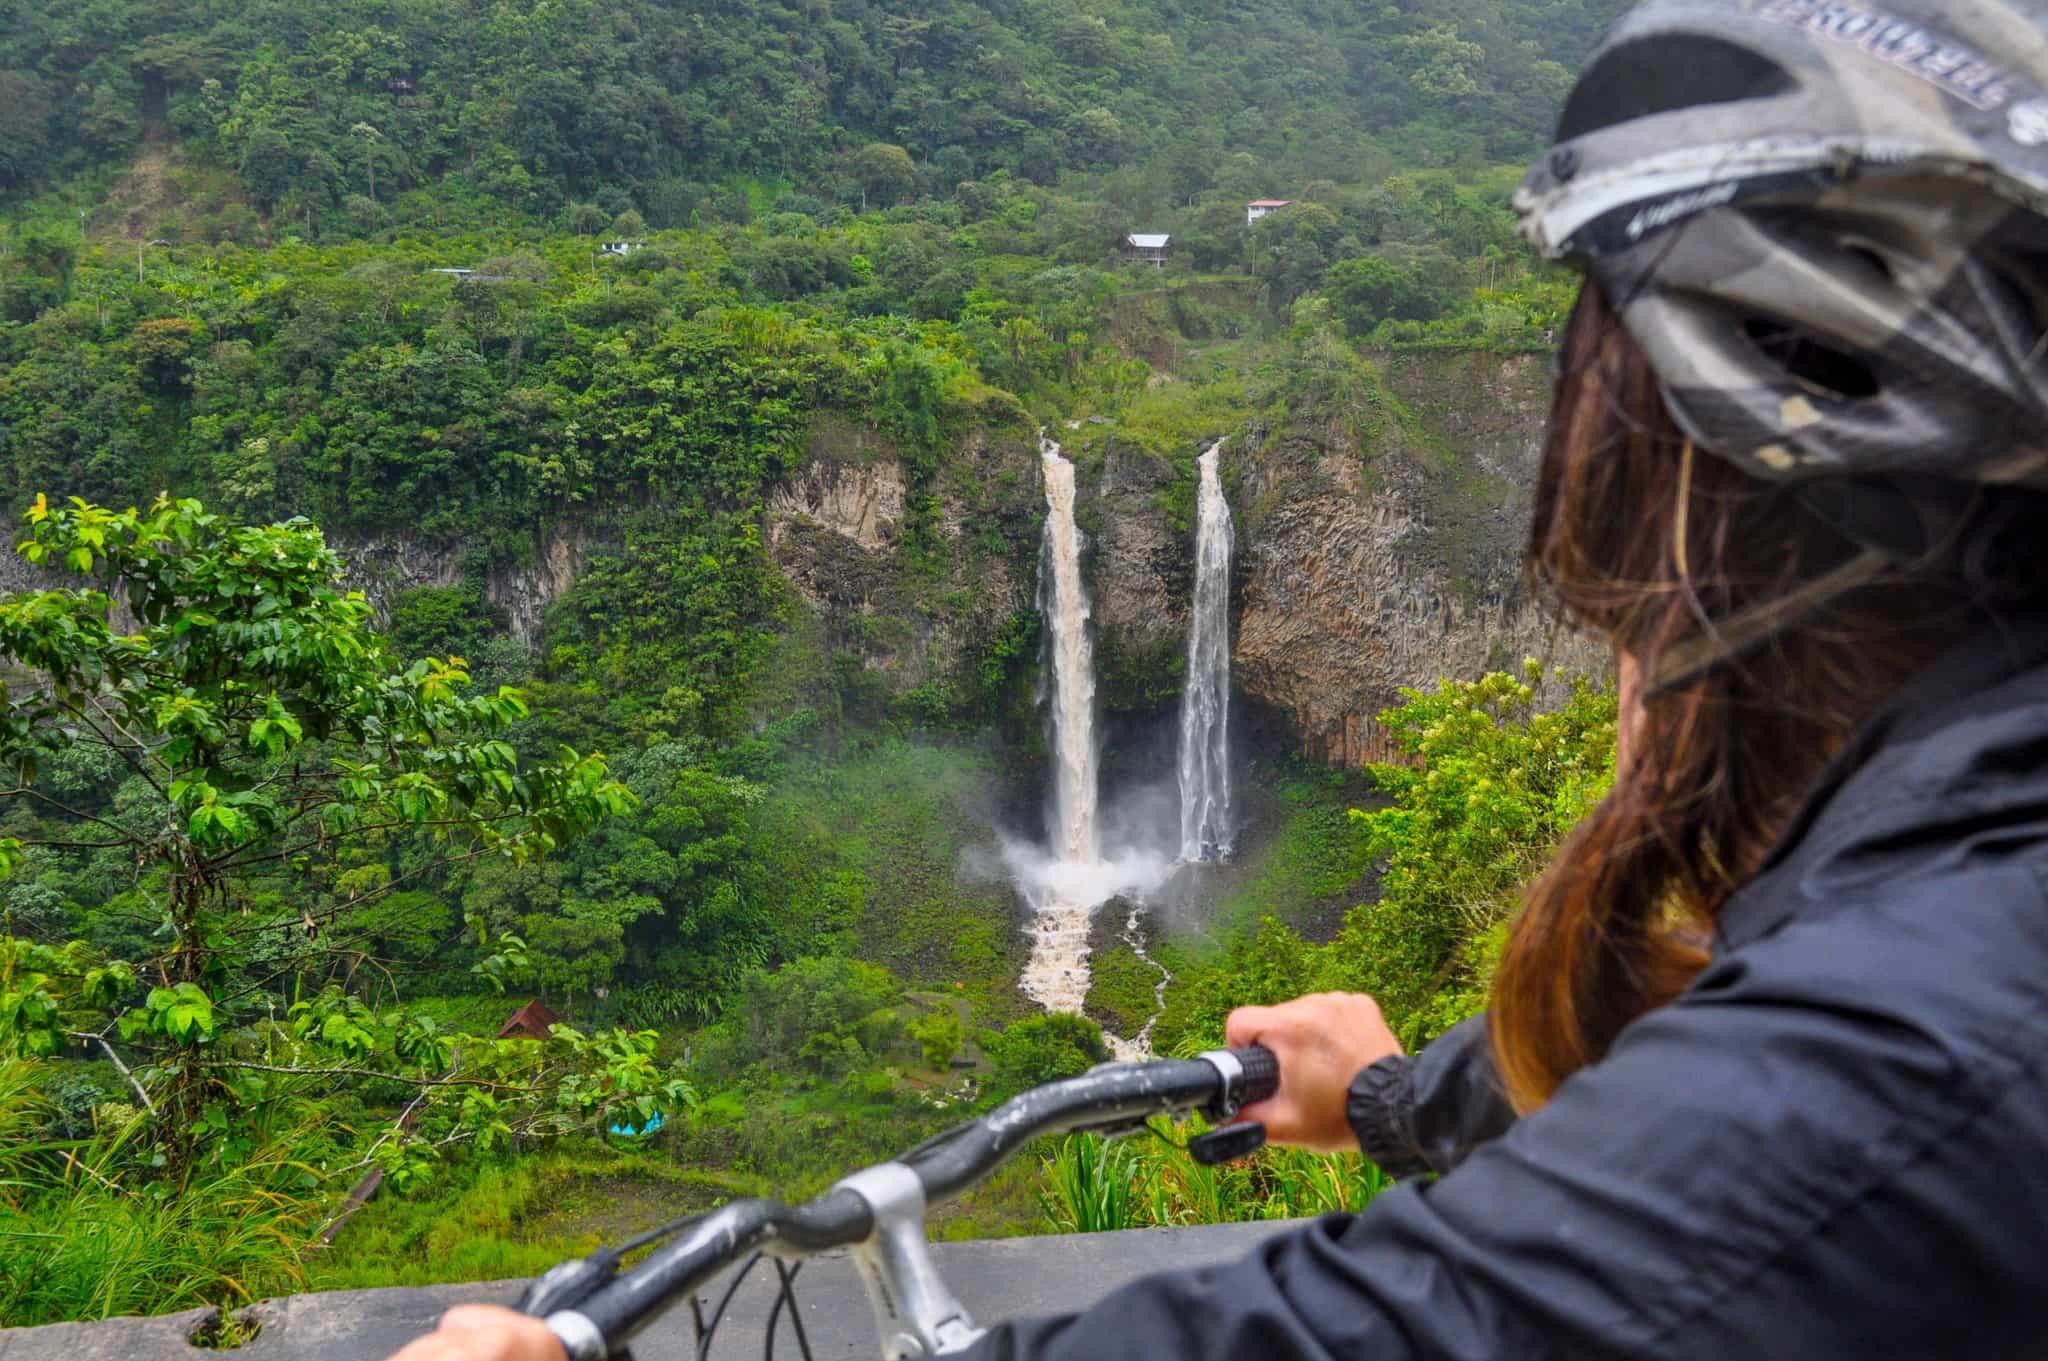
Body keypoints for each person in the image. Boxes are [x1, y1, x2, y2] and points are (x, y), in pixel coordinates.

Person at [394, 0, 2048, 1356]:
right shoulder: (1955, 902)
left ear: (1700, 515)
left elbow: (1410, 1319)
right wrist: (1407, 1093)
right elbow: (1724, 1057)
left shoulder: (1910, 1067)